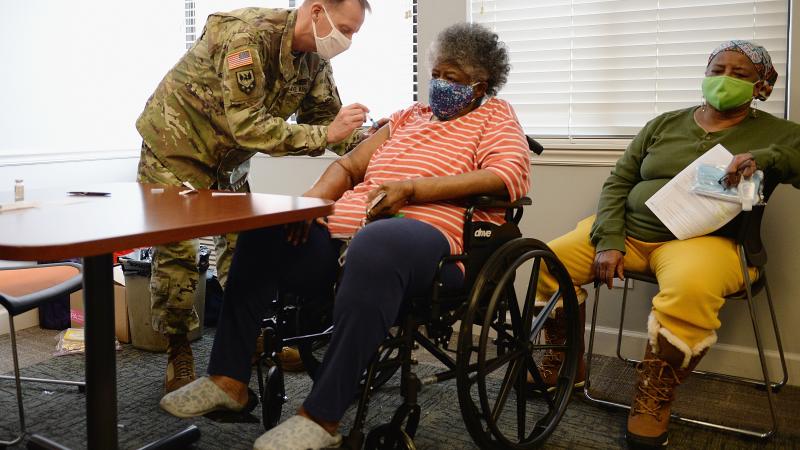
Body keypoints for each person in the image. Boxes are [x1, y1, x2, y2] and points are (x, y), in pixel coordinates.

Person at [158, 23, 531, 450]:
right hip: (344, 233)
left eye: (454, 78)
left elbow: (505, 176)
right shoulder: (409, 117)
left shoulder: (495, 116)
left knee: (377, 243)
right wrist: (310, 204)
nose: (441, 85)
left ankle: (321, 417)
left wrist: (411, 190)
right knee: (265, 226)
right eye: (438, 74)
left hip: (430, 239)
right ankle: (228, 379)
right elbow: (350, 167)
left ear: (480, 85)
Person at [534, 40, 800, 448]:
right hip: (626, 232)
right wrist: (609, 239)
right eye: (717, 70)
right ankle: (567, 357)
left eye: (740, 74)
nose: (724, 79)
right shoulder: (664, 123)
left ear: (762, 85)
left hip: (704, 242)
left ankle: (653, 396)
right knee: (547, 261)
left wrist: (766, 157)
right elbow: (619, 181)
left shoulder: (780, 132)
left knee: (690, 289)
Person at [135, 0, 373, 393]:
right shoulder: (248, 35)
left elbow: (327, 121)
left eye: (353, 33)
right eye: (345, 30)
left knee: (242, 247)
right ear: (316, 12)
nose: (346, 40)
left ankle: (244, 341)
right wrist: (325, 136)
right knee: (177, 253)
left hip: (228, 160)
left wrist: (376, 140)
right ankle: (178, 350)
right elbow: (249, 127)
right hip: (176, 146)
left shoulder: (312, 59)